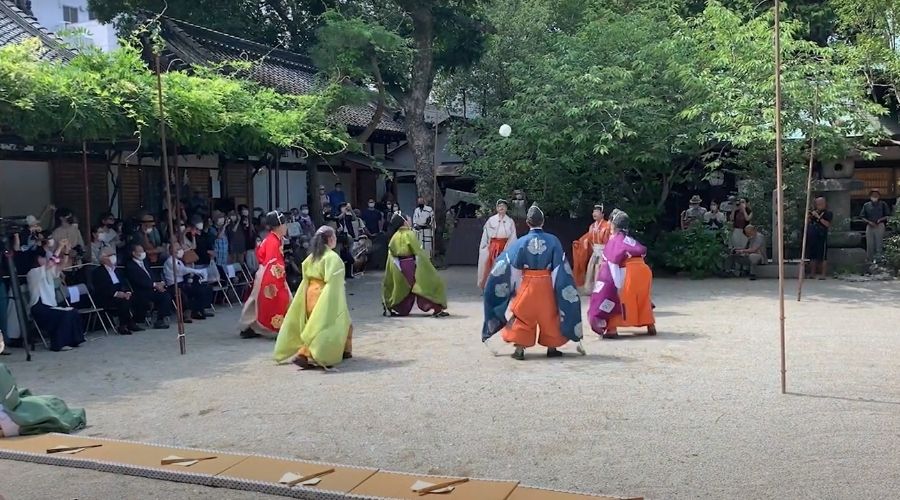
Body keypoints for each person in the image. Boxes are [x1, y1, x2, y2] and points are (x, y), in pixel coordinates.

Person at [481, 203, 583, 360]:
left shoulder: (521, 242)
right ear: (543, 222)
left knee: (523, 315)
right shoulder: (553, 241)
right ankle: (552, 347)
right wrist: (561, 289)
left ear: (528, 223)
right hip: (547, 284)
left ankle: (520, 349)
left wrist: (513, 287)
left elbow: (509, 265)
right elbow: (560, 270)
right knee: (551, 315)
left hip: (527, 283)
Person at [274, 225, 353, 368]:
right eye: (334, 237)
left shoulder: (312, 257)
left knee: (314, 323)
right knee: (325, 324)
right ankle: (308, 354)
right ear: (330, 239)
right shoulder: (332, 257)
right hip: (324, 292)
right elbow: (334, 280)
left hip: (310, 292)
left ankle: (343, 350)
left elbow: (305, 276)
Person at [588, 210, 656, 339]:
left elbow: (613, 264)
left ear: (613, 225)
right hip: (643, 270)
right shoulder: (630, 240)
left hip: (627, 270)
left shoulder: (614, 241)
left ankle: (612, 329)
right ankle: (650, 324)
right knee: (642, 297)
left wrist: (617, 286)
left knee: (613, 296)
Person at [382, 212, 448, 317]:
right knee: (425, 284)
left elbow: (392, 253)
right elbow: (417, 251)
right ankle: (437, 307)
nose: (410, 221)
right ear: (404, 221)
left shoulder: (394, 236)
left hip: (398, 265)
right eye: (409, 219)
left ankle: (392, 307)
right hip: (411, 264)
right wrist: (424, 265)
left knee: (402, 288)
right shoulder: (409, 234)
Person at [239, 212, 292, 339]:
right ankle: (256, 327)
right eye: (284, 224)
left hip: (267, 273)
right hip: (269, 275)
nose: (286, 226)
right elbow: (272, 263)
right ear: (278, 226)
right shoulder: (272, 241)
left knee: (256, 301)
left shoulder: (274, 238)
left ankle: (250, 327)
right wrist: (278, 280)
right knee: (278, 299)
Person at [25, 240, 85, 351]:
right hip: (39, 307)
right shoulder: (33, 272)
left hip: (49, 306)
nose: (46, 259)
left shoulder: (48, 271)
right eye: (43, 257)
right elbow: (51, 263)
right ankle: (58, 344)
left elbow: (61, 265)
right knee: (64, 315)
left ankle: (74, 340)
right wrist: (60, 246)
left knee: (73, 311)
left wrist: (66, 251)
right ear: (38, 259)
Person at [92, 247, 142, 335]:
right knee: (123, 301)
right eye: (110, 255)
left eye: (114, 255)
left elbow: (124, 283)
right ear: (103, 258)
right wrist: (117, 294)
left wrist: (127, 292)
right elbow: (102, 288)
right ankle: (123, 325)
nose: (113, 257)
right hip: (107, 297)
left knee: (137, 297)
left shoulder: (117, 270)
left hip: (121, 294)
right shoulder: (98, 272)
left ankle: (132, 321)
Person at [125, 244, 173, 329]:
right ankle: (136, 320)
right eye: (140, 251)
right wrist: (154, 285)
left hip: (152, 289)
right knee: (145, 299)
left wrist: (160, 283)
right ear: (134, 253)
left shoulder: (145, 262)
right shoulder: (130, 265)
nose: (143, 253)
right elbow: (138, 280)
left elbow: (152, 275)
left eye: (143, 251)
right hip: (140, 291)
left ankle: (160, 320)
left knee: (166, 295)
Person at [163, 242, 213, 321]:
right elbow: (181, 271)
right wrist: (197, 271)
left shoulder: (179, 261)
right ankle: (186, 314)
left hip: (182, 283)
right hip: (174, 285)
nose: (180, 250)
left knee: (202, 289)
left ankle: (198, 310)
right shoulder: (170, 261)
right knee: (184, 294)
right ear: (171, 251)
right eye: (177, 249)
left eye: (180, 248)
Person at [477, 199, 518, 289]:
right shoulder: (491, 220)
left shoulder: (510, 221)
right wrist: (485, 248)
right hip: (493, 247)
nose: (501, 208)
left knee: (504, 267)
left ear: (506, 208)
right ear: (496, 208)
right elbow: (485, 236)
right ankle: (489, 286)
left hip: (505, 246)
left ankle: (503, 286)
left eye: (503, 206)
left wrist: (508, 249)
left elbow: (513, 237)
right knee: (490, 266)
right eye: (499, 206)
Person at [571, 204, 611, 292]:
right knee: (592, 268)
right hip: (595, 250)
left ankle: (601, 290)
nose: (594, 214)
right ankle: (591, 289)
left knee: (599, 269)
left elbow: (610, 240)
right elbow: (587, 238)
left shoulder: (607, 226)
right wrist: (579, 243)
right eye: (593, 212)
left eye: (597, 212)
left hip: (604, 251)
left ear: (602, 214)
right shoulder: (592, 226)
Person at [860, 189, 891, 263]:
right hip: (869, 226)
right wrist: (869, 222)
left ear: (879, 196)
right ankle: (869, 260)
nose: (875, 196)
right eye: (873, 195)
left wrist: (880, 220)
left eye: (876, 195)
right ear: (870, 196)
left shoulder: (883, 204)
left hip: (879, 225)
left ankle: (879, 260)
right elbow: (862, 217)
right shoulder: (866, 205)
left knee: (879, 243)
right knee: (870, 244)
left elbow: (888, 215)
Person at [805, 196, 833, 280]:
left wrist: (818, 217)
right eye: (818, 204)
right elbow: (808, 222)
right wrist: (809, 216)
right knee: (812, 255)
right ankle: (812, 273)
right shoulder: (813, 212)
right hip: (813, 236)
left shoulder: (828, 213)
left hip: (822, 236)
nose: (819, 205)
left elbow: (827, 224)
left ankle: (823, 274)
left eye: (821, 203)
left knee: (823, 256)